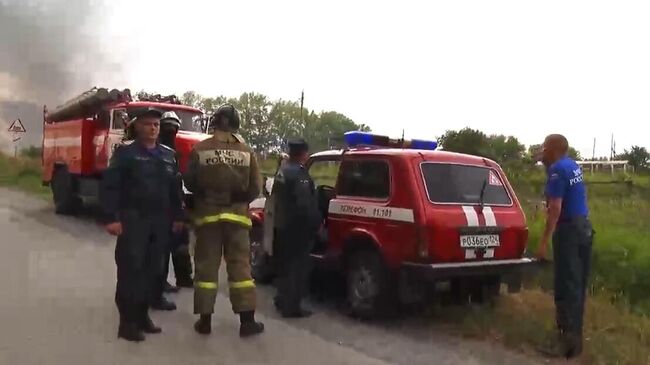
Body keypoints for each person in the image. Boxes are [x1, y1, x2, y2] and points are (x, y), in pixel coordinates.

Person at [100, 107, 184, 342]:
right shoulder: (126, 154)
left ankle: (143, 316)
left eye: (156, 125)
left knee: (152, 271)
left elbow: (174, 189)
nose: (153, 128)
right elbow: (110, 187)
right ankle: (127, 324)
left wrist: (178, 216)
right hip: (133, 220)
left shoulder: (168, 155)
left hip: (159, 222)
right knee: (130, 272)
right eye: (148, 124)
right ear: (137, 126)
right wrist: (112, 218)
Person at [183, 104, 265, 337]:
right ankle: (247, 322)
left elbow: (189, 182)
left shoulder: (201, 149)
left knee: (206, 269)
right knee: (240, 269)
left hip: (208, 218)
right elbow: (255, 188)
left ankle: (205, 321)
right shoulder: (247, 152)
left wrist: (208, 194)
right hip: (237, 220)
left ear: (216, 122)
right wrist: (237, 199)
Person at [536, 134, 593, 359]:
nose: (542, 154)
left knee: (565, 287)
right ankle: (575, 343)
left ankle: (564, 346)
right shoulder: (572, 165)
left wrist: (543, 242)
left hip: (568, 231)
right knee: (577, 287)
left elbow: (556, 208)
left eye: (544, 149)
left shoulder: (557, 170)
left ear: (552, 149)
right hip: (585, 229)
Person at [272, 139, 321, 318]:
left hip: (282, 224)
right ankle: (291, 307)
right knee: (297, 268)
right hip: (297, 228)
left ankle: (280, 299)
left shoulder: (283, 170)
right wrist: (317, 224)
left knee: (284, 265)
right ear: (303, 153)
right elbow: (304, 206)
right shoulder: (299, 174)